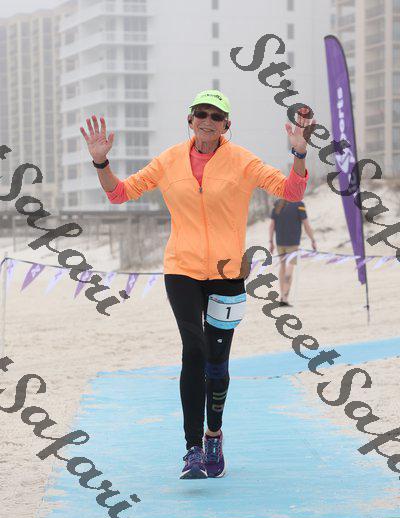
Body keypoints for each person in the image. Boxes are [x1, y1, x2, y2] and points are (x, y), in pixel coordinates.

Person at [80, 89, 314, 480]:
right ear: (190, 119)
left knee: (217, 364)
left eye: (216, 116)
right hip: (182, 270)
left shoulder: (242, 160)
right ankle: (192, 449)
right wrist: (100, 161)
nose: (207, 120)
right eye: (201, 113)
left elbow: (291, 191)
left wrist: (300, 152)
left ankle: (213, 435)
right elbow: (119, 194)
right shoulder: (169, 160)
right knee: (193, 350)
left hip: (228, 274)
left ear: (226, 124)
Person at [269, 199, 317, 307]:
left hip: (279, 242)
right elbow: (306, 225)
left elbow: (271, 225)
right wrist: (313, 240)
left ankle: (282, 296)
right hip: (293, 242)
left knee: (282, 267)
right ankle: (285, 298)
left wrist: (271, 242)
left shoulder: (277, 203)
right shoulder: (299, 204)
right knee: (290, 267)